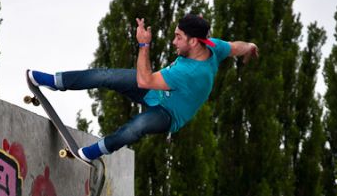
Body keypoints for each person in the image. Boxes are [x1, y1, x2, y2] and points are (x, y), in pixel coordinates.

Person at [28, 13, 258, 163]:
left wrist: (144, 45)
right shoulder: (213, 46)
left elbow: (144, 81)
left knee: (136, 128)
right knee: (107, 76)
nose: (174, 42)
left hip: (168, 114)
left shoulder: (188, 72)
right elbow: (235, 47)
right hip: (156, 91)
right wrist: (250, 47)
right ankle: (55, 81)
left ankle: (95, 151)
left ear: (193, 41)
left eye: (178, 37)